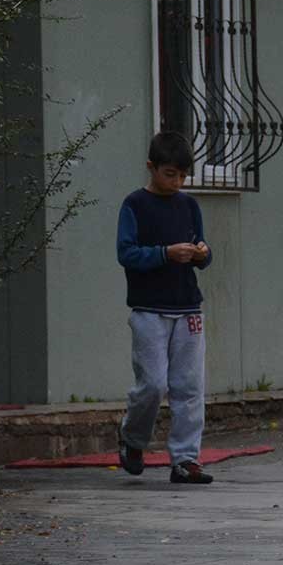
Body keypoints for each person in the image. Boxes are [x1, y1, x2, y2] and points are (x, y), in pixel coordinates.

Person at [116, 131, 215, 485]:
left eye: (183, 176)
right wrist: (164, 254)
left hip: (188, 307)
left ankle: (186, 459)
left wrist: (201, 254)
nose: (177, 182)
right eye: (170, 174)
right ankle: (133, 439)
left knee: (189, 385)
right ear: (151, 168)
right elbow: (125, 254)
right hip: (148, 309)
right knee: (153, 384)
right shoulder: (134, 205)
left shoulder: (189, 206)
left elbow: (202, 249)